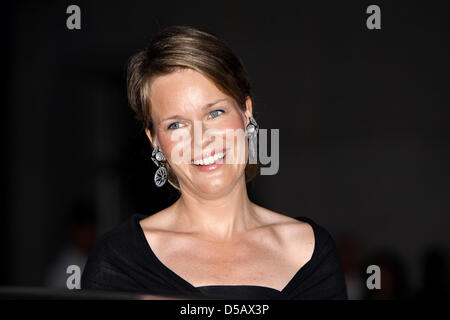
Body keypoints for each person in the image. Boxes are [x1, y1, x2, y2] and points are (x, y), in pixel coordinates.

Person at [81, 25, 348, 300]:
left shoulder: (309, 251)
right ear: (155, 140)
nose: (201, 140)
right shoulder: (121, 260)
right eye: (176, 124)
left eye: (215, 112)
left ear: (246, 112)